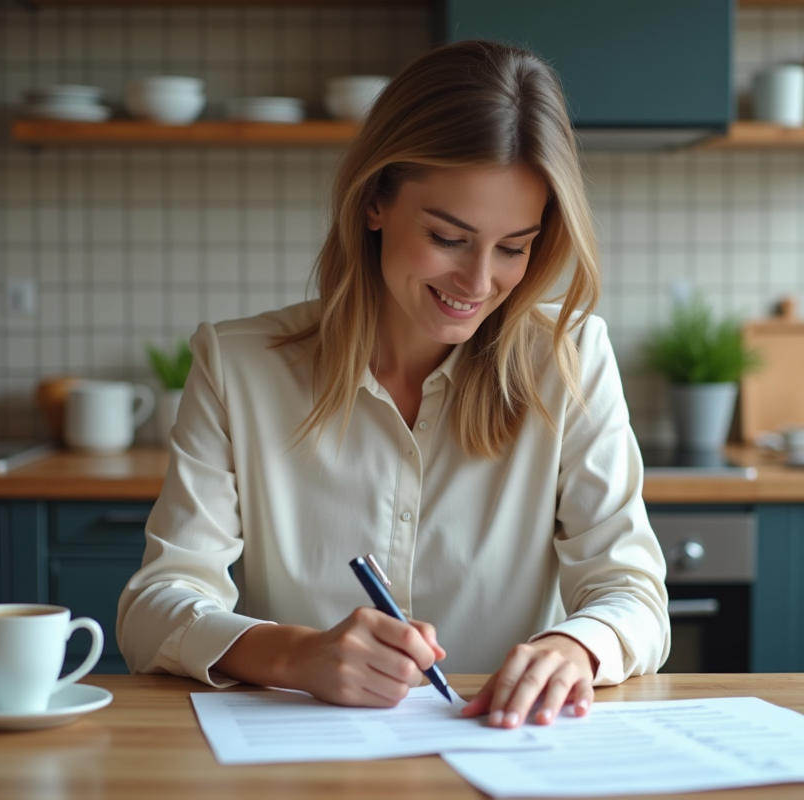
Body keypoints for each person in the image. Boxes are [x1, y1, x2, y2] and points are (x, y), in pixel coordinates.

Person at [117, 39, 670, 729]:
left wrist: (573, 646)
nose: (478, 284)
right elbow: (154, 607)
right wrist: (293, 655)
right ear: (375, 199)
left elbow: (633, 594)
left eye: (513, 247)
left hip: (510, 756)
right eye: (448, 237)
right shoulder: (238, 366)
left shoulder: (571, 358)